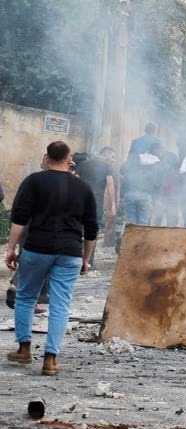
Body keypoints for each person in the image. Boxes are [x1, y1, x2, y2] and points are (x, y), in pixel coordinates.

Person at [5, 141, 97, 376]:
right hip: (70, 252)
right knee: (60, 305)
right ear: (69, 160)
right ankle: (50, 359)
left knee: (25, 297)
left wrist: (11, 248)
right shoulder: (83, 188)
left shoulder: (34, 181)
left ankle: (24, 349)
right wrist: (86, 259)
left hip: (37, 248)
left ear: (46, 158)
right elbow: (92, 228)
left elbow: (20, 218)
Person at [76, 146, 118, 264]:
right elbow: (110, 185)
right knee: (92, 231)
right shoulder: (107, 166)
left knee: (79, 230)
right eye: (113, 157)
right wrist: (113, 205)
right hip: (95, 204)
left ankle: (76, 260)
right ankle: (88, 262)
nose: (113, 160)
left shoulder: (84, 163)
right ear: (106, 154)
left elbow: (76, 180)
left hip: (80, 202)